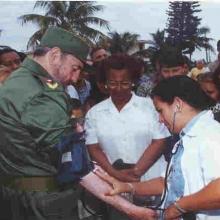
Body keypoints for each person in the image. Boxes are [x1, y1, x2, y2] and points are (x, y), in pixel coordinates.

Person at [95, 75, 220, 220]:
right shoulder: (186, 138)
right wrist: (128, 187)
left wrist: (179, 207)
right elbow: (167, 182)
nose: (160, 120)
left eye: (160, 111)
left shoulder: (211, 136)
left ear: (178, 104)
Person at [0, 27, 90, 220]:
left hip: (14, 196)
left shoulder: (18, 79)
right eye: (75, 68)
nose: (75, 78)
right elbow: (74, 161)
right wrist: (126, 206)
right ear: (55, 55)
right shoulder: (42, 93)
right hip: (43, 203)